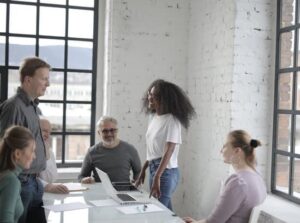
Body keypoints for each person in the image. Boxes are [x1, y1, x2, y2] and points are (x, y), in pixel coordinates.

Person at [0, 57, 50, 223]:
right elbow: (4, 145)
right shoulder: (13, 106)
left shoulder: (33, 106)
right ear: (28, 79)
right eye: (44, 79)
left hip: (35, 182)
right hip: (21, 183)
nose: (47, 84)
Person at [135, 79, 196, 211]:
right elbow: (154, 150)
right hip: (154, 168)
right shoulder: (154, 118)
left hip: (165, 171)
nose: (149, 97)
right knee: (165, 213)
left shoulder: (172, 120)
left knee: (158, 212)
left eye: (154, 95)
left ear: (164, 98)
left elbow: (169, 150)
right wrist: (144, 169)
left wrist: (158, 176)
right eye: (149, 94)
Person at [183, 130, 267, 223]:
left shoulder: (238, 182)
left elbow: (214, 222)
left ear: (237, 151)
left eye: (225, 146)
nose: (221, 151)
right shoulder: (257, 177)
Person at [78, 116, 142, 184]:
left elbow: (138, 171)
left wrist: (136, 183)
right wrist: (84, 180)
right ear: (99, 133)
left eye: (112, 130)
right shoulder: (92, 152)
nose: (109, 134)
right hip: (99, 193)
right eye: (105, 131)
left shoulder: (130, 149)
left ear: (117, 131)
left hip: (124, 192)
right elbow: (81, 176)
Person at [0, 126, 36, 223]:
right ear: (17, 154)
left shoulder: (5, 175)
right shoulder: (11, 181)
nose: (34, 156)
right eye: (32, 151)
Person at [39, 117, 69, 194]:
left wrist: (47, 155)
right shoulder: (27, 152)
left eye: (49, 132)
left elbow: (52, 178)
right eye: (45, 131)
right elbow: (28, 178)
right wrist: (47, 186)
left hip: (46, 194)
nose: (48, 135)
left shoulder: (49, 151)